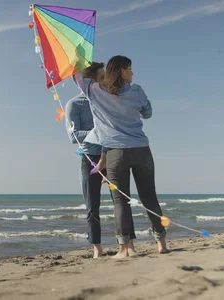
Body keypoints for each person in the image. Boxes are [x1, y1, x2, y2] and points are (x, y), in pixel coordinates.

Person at [73, 55, 168, 258]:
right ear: (123, 71)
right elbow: (148, 113)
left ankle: (125, 249)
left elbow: (78, 76)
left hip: (116, 153)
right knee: (149, 197)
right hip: (141, 150)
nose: (132, 73)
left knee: (120, 202)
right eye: (130, 69)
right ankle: (161, 243)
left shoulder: (95, 91)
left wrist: (76, 56)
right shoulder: (137, 90)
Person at [64, 62, 136, 259]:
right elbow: (74, 136)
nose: (106, 79)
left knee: (121, 201)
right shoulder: (74, 104)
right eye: (102, 75)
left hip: (112, 154)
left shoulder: (107, 99)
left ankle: (129, 243)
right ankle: (97, 248)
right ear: (91, 79)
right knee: (92, 204)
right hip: (90, 159)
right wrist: (100, 133)